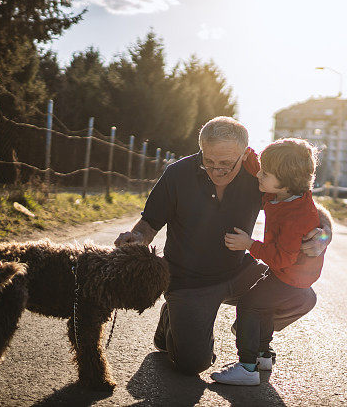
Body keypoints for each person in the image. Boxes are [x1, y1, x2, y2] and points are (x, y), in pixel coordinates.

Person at [114, 117, 332, 375]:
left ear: (245, 155)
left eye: (226, 163)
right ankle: (171, 316)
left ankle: (252, 332)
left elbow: (305, 209)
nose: (217, 170)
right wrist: (137, 238)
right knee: (192, 364)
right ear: (201, 150)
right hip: (188, 281)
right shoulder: (177, 175)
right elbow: (149, 223)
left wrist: (324, 234)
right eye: (209, 161)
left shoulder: (259, 177)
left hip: (240, 273)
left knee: (301, 296)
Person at [211, 138, 325, 386]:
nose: (259, 175)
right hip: (288, 274)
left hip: (291, 276)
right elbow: (255, 165)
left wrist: (249, 244)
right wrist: (242, 149)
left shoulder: (298, 215)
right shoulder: (282, 193)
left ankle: (247, 366)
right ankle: (263, 355)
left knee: (250, 304)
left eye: (266, 173)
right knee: (262, 306)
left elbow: (282, 259)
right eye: (262, 169)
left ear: (285, 179)